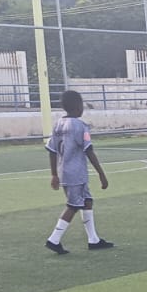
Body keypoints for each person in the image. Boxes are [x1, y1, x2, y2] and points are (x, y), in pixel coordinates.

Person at [45, 90, 114, 254]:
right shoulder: (80, 126)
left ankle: (93, 239)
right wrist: (101, 173)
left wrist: (54, 174)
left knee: (87, 201)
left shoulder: (58, 125)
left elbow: (52, 150)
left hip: (65, 171)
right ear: (77, 106)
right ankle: (54, 239)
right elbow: (89, 150)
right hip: (75, 173)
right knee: (73, 206)